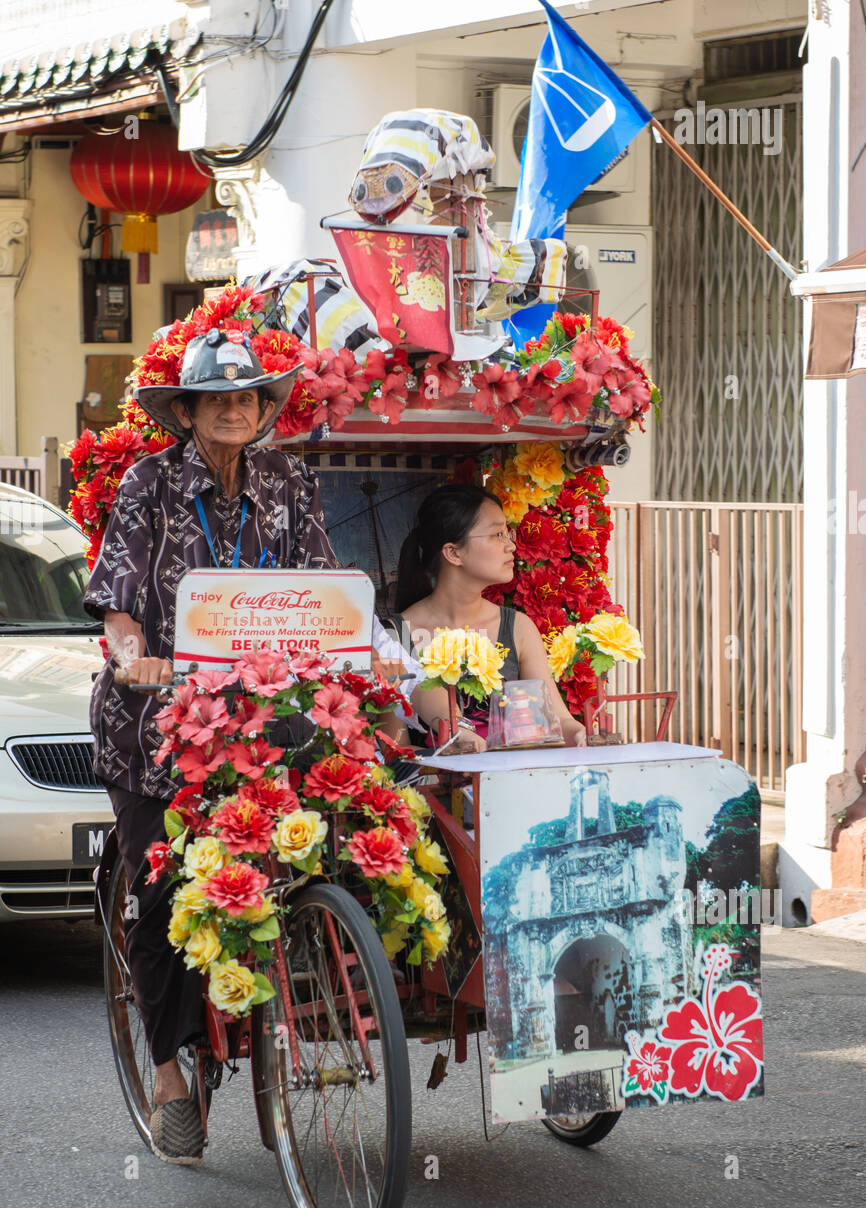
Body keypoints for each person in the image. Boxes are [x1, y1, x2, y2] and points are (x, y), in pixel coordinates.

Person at [84, 328, 427, 1165]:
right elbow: (119, 604)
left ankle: (302, 991)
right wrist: (136, 663)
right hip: (159, 725)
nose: (234, 410)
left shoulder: (287, 478)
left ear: (263, 408)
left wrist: (366, 651)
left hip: (266, 712)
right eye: (217, 399)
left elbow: (319, 587)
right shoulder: (150, 484)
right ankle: (169, 1074)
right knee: (165, 894)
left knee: (327, 847)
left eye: (247, 398)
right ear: (191, 412)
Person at [394, 484, 587, 747]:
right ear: (453, 552)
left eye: (508, 533)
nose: (511, 545)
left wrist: (579, 734)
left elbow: (556, 719)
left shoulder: (518, 627)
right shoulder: (394, 636)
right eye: (497, 534)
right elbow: (395, 748)